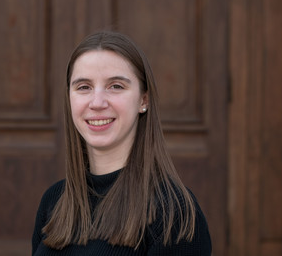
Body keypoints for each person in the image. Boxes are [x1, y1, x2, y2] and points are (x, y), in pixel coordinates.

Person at [32, 30, 211, 255]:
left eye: (116, 86)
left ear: (143, 100)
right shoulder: (54, 200)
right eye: (83, 87)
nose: (97, 102)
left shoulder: (173, 211)